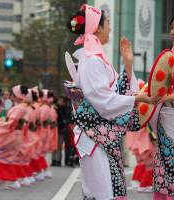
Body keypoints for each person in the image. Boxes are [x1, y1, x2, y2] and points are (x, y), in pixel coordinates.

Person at [65, 4, 157, 200]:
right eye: (107, 23)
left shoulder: (97, 58)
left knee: (109, 193)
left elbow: (117, 93)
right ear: (97, 28)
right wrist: (137, 98)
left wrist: (128, 64)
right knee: (102, 194)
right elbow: (104, 102)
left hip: (102, 137)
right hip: (95, 136)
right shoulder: (91, 60)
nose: (110, 27)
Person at [151, 16, 174, 200]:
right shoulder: (168, 57)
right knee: (165, 160)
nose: (172, 32)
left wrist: (165, 97)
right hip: (166, 115)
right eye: (172, 27)